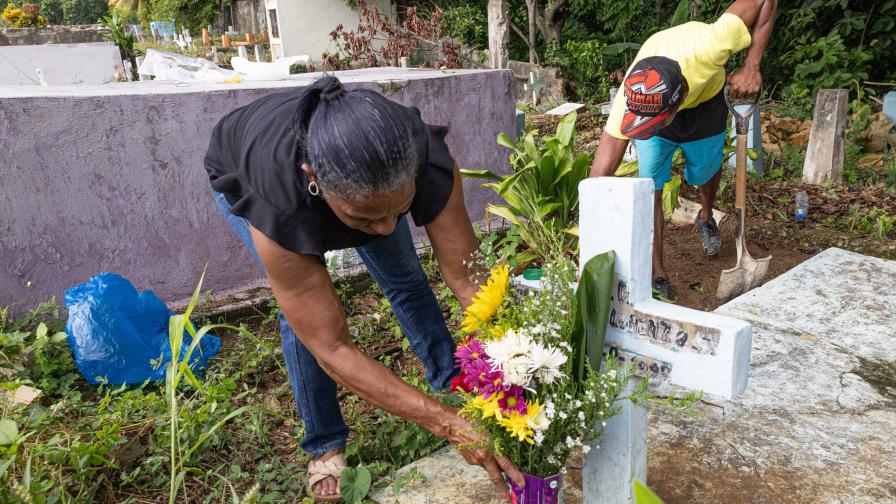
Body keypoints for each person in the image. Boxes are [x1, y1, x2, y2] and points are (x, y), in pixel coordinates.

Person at [204, 76, 524, 502]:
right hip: (246, 170)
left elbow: (469, 279)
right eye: (365, 219)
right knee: (304, 322)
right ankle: (325, 443)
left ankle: (454, 381)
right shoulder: (279, 200)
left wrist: (519, 363)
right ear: (314, 177)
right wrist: (445, 424)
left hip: (365, 183)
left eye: (400, 210)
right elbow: (333, 349)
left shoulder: (421, 158)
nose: (387, 229)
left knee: (407, 280)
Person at [590, 0, 776, 298]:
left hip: (706, 105)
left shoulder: (711, 45)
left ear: (677, 103)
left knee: (705, 172)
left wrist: (751, 65)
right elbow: (597, 177)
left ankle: (705, 216)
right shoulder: (635, 95)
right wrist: (585, 237)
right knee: (651, 186)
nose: (648, 131)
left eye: (653, 125)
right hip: (660, 101)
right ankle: (656, 271)